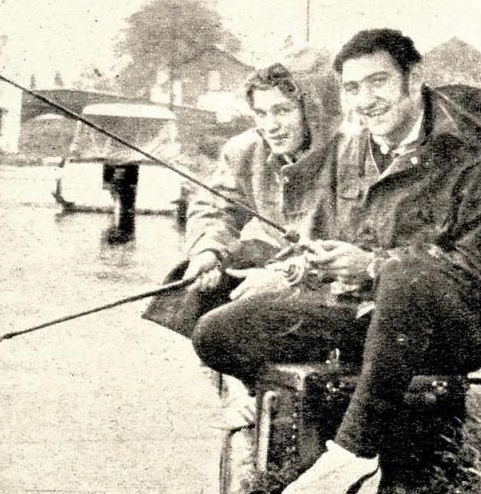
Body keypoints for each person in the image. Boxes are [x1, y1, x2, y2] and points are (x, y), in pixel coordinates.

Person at [191, 28, 481, 494]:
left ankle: (355, 455)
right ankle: (346, 398)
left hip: (469, 322)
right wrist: (317, 265)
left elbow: (480, 271)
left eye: (377, 83)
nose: (365, 101)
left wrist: (372, 267)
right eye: (352, 88)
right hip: (382, 315)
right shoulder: (356, 150)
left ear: (413, 79)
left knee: (407, 278)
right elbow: (347, 240)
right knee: (216, 334)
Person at [144, 52, 340, 427]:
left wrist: (286, 275)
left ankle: (271, 385)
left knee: (234, 322)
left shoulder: (349, 151)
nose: (272, 125)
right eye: (262, 113)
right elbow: (216, 209)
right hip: (277, 261)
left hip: (327, 276)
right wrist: (207, 251)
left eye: (283, 111)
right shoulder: (243, 150)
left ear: (310, 110)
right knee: (201, 276)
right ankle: (244, 386)